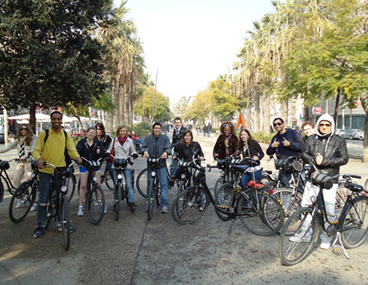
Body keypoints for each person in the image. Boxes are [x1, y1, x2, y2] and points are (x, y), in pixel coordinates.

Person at [291, 114, 348, 249]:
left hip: (330, 178)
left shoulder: (339, 140)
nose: (324, 127)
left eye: (327, 125)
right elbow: (304, 153)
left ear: (331, 126)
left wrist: (324, 161)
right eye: (321, 124)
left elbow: (344, 158)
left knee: (329, 209)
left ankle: (326, 237)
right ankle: (305, 234)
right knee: (306, 206)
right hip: (313, 177)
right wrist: (313, 160)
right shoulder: (311, 139)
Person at [32, 111, 82, 238]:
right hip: (45, 170)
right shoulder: (45, 134)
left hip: (59, 170)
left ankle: (62, 222)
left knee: (61, 197)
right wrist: (38, 160)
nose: (56, 121)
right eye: (54, 119)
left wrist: (77, 157)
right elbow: (36, 150)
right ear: (51, 120)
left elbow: (71, 149)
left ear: (61, 120)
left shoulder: (65, 135)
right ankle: (40, 225)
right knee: (43, 199)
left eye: (58, 119)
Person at [0, 124, 38, 210]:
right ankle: (23, 197)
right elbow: (10, 146)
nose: (23, 131)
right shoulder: (19, 139)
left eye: (25, 129)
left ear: (28, 130)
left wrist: (26, 155)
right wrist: (1, 151)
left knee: (29, 180)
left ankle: (34, 202)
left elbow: (33, 149)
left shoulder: (33, 138)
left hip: (29, 162)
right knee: (16, 180)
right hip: (21, 162)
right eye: (21, 129)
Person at [140, 122, 172, 213]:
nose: (157, 130)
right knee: (150, 184)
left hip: (161, 164)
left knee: (164, 185)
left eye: (159, 128)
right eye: (156, 128)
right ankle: (148, 202)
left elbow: (168, 148)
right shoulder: (148, 138)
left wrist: (166, 153)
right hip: (151, 164)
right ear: (153, 129)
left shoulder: (165, 138)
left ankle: (164, 205)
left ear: (161, 130)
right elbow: (143, 147)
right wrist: (144, 152)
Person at [266, 117, 305, 186]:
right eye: (275, 125)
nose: (277, 126)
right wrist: (272, 147)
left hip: (296, 164)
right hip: (283, 166)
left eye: (279, 124)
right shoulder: (275, 138)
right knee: (283, 190)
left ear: (283, 124)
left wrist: (290, 144)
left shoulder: (293, 133)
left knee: (300, 187)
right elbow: (268, 152)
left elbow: (302, 146)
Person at [76, 127, 106, 216]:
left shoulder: (98, 143)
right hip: (85, 165)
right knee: (83, 185)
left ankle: (101, 203)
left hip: (95, 165)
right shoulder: (81, 143)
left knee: (98, 184)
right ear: (87, 133)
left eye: (94, 133)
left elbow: (103, 153)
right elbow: (77, 152)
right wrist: (78, 158)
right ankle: (80, 206)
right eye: (90, 132)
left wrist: (99, 152)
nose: (92, 134)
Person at [108, 125, 138, 211]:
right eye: (121, 131)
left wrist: (134, 154)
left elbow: (133, 150)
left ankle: (132, 202)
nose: (122, 132)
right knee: (116, 184)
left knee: (128, 184)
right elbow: (109, 149)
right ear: (118, 131)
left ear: (126, 132)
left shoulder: (130, 141)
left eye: (124, 131)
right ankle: (116, 201)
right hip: (116, 163)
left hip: (126, 164)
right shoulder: (114, 140)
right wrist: (107, 153)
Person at [175, 130, 205, 210]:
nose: (187, 137)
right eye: (185, 136)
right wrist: (176, 157)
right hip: (187, 166)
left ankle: (200, 204)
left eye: (189, 136)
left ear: (191, 137)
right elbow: (180, 155)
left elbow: (201, 153)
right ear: (183, 137)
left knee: (196, 184)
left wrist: (201, 157)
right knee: (186, 184)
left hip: (195, 165)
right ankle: (186, 201)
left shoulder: (196, 144)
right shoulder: (181, 146)